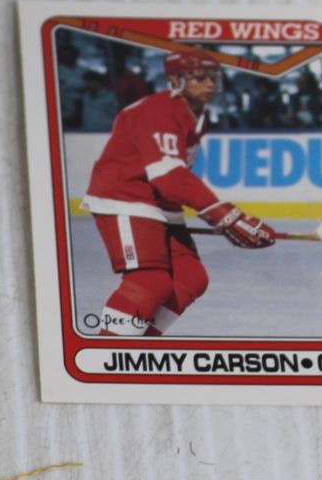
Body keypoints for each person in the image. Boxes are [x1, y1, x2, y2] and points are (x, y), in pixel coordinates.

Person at [82, 50, 279, 336]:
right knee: (150, 281)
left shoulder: (196, 115)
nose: (209, 84)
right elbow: (169, 176)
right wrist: (226, 216)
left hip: (158, 202)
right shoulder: (158, 110)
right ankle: (109, 350)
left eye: (212, 78)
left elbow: (171, 178)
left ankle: (141, 343)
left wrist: (223, 216)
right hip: (126, 196)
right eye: (199, 78)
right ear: (175, 80)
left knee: (190, 277)